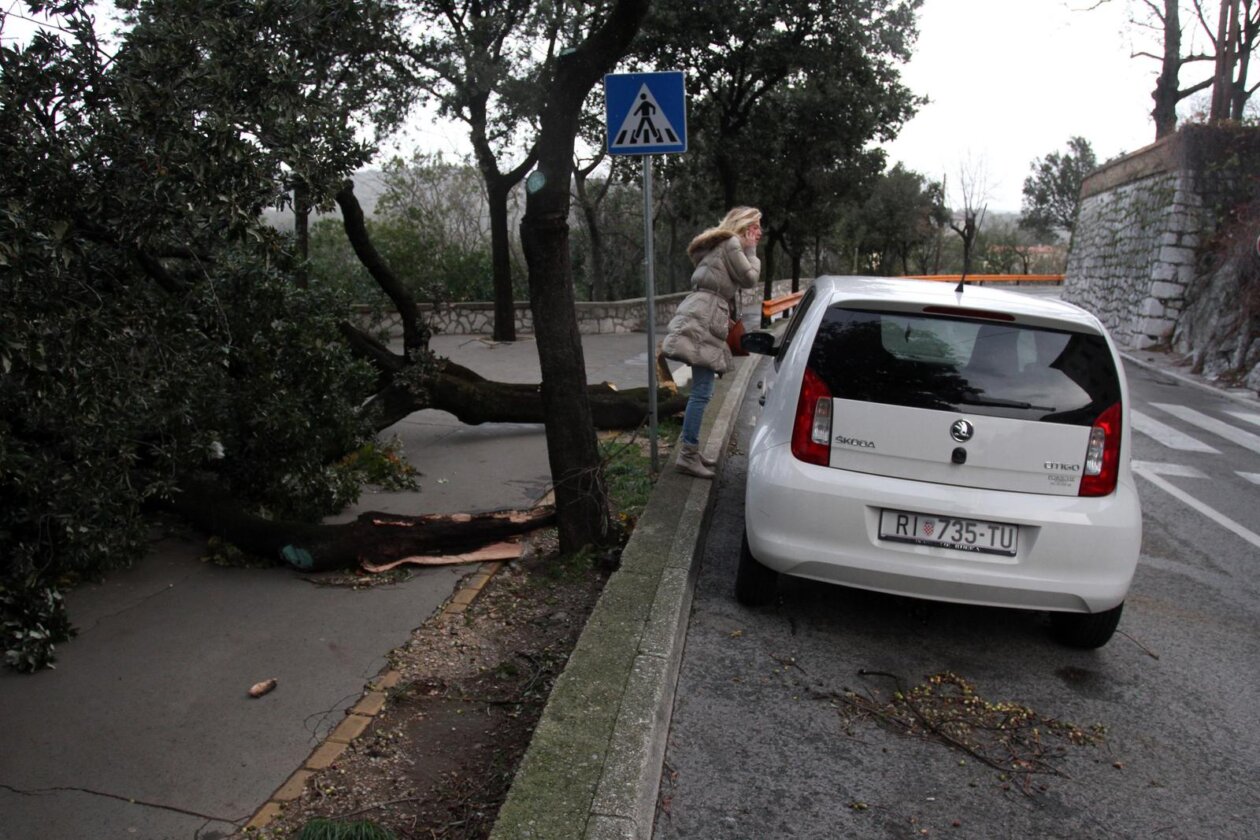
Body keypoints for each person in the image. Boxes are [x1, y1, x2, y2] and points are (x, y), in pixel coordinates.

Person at [661, 206, 763, 478]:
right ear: (744, 227)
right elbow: (750, 279)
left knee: (702, 390)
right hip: (705, 317)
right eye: (756, 227)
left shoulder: (723, 245)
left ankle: (691, 450)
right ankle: (687, 455)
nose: (759, 233)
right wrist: (752, 251)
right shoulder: (732, 244)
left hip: (704, 313)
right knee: (702, 392)